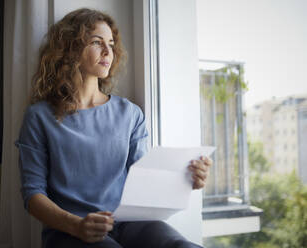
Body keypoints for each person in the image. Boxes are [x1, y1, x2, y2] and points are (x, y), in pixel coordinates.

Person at [15, 8, 212, 248]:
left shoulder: (129, 114)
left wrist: (187, 179)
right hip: (69, 231)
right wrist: (76, 226)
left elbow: (145, 182)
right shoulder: (39, 116)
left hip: (131, 223)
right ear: (70, 48)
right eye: (97, 43)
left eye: (110, 43)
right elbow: (33, 195)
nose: (109, 51)